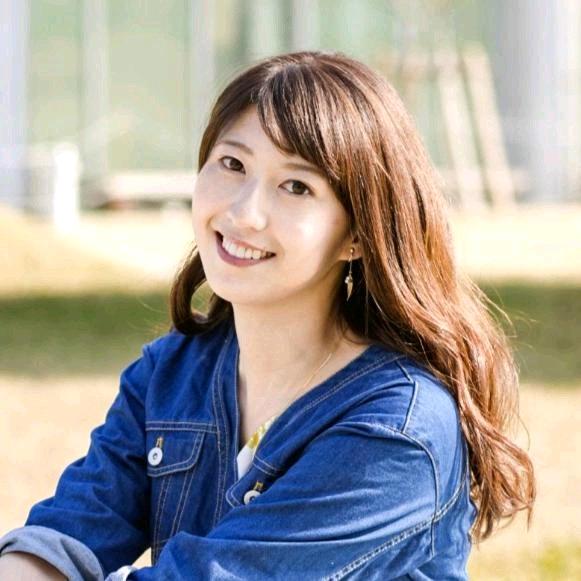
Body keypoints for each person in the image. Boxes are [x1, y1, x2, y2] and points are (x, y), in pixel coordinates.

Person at [0, 50, 535, 580]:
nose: (244, 212)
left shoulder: (397, 429)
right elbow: (67, 535)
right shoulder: (171, 374)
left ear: (355, 235)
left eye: (296, 186)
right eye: (232, 164)